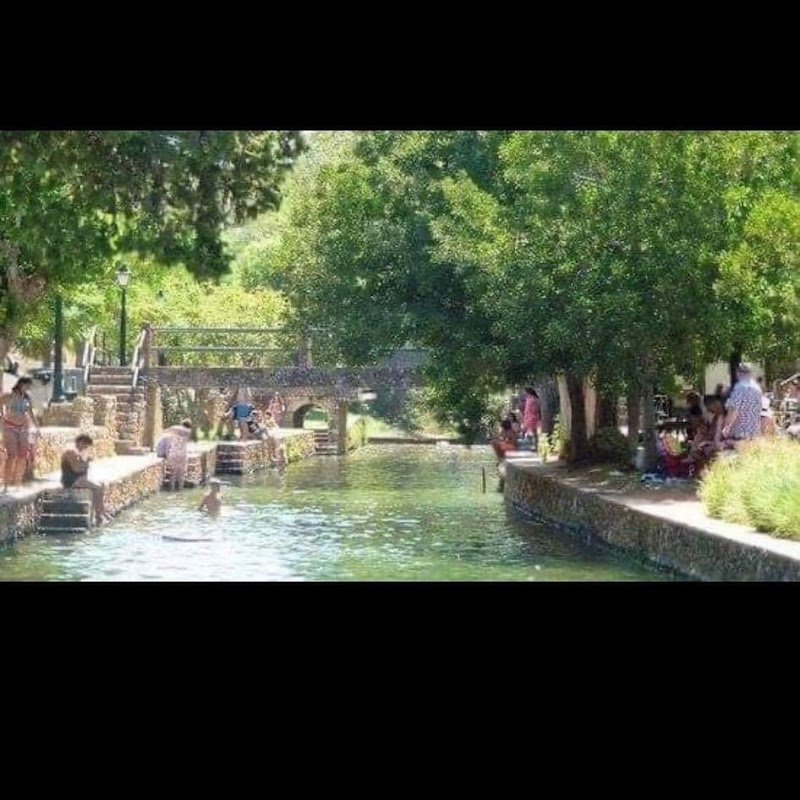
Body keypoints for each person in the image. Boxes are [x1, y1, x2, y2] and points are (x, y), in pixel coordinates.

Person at [61, 434, 113, 525]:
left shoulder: (78, 453)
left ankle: (100, 512)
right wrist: (86, 462)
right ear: (80, 443)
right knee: (97, 487)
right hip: (71, 480)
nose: (85, 448)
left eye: (86, 447)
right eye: (84, 446)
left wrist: (86, 461)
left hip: (79, 479)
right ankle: (100, 512)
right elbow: (76, 469)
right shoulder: (70, 452)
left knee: (102, 484)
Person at [1, 377, 38, 490]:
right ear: (21, 384)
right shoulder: (9, 396)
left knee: (22, 455)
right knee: (12, 455)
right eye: (27, 386)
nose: (28, 388)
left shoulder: (26, 398)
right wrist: (2, 415)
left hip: (23, 427)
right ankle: (6, 483)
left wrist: (37, 427)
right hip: (9, 426)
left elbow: (30, 413)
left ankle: (18, 481)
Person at [721, 363, 763, 444]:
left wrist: (727, 427)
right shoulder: (758, 389)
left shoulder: (739, 388)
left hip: (739, 433)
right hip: (754, 433)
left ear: (738, 373)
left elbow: (734, 410)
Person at [688, 395, 724, 475]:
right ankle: (702, 471)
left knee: (705, 450)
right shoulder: (715, 418)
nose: (711, 411)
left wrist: (708, 441)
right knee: (698, 449)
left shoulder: (721, 417)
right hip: (714, 441)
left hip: (721, 441)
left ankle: (706, 471)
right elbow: (712, 433)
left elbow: (718, 435)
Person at [162, 420, 192, 491]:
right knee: (181, 474)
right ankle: (180, 490)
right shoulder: (189, 432)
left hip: (173, 453)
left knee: (173, 473)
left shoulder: (174, 429)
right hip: (182, 454)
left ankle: (172, 489)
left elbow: (165, 431)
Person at [522, 387, 541, 451]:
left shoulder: (533, 399)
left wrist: (534, 415)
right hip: (529, 416)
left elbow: (535, 408)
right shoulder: (529, 399)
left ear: (528, 392)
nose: (524, 394)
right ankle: (535, 446)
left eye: (525, 392)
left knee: (534, 432)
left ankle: (536, 446)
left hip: (532, 417)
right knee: (532, 432)